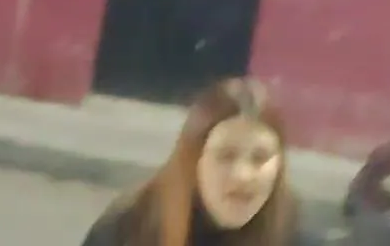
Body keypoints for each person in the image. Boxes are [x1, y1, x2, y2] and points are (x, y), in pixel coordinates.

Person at [80, 78, 302, 246]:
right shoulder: (129, 229)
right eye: (226, 156)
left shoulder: (295, 236)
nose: (243, 175)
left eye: (260, 158)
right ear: (193, 160)